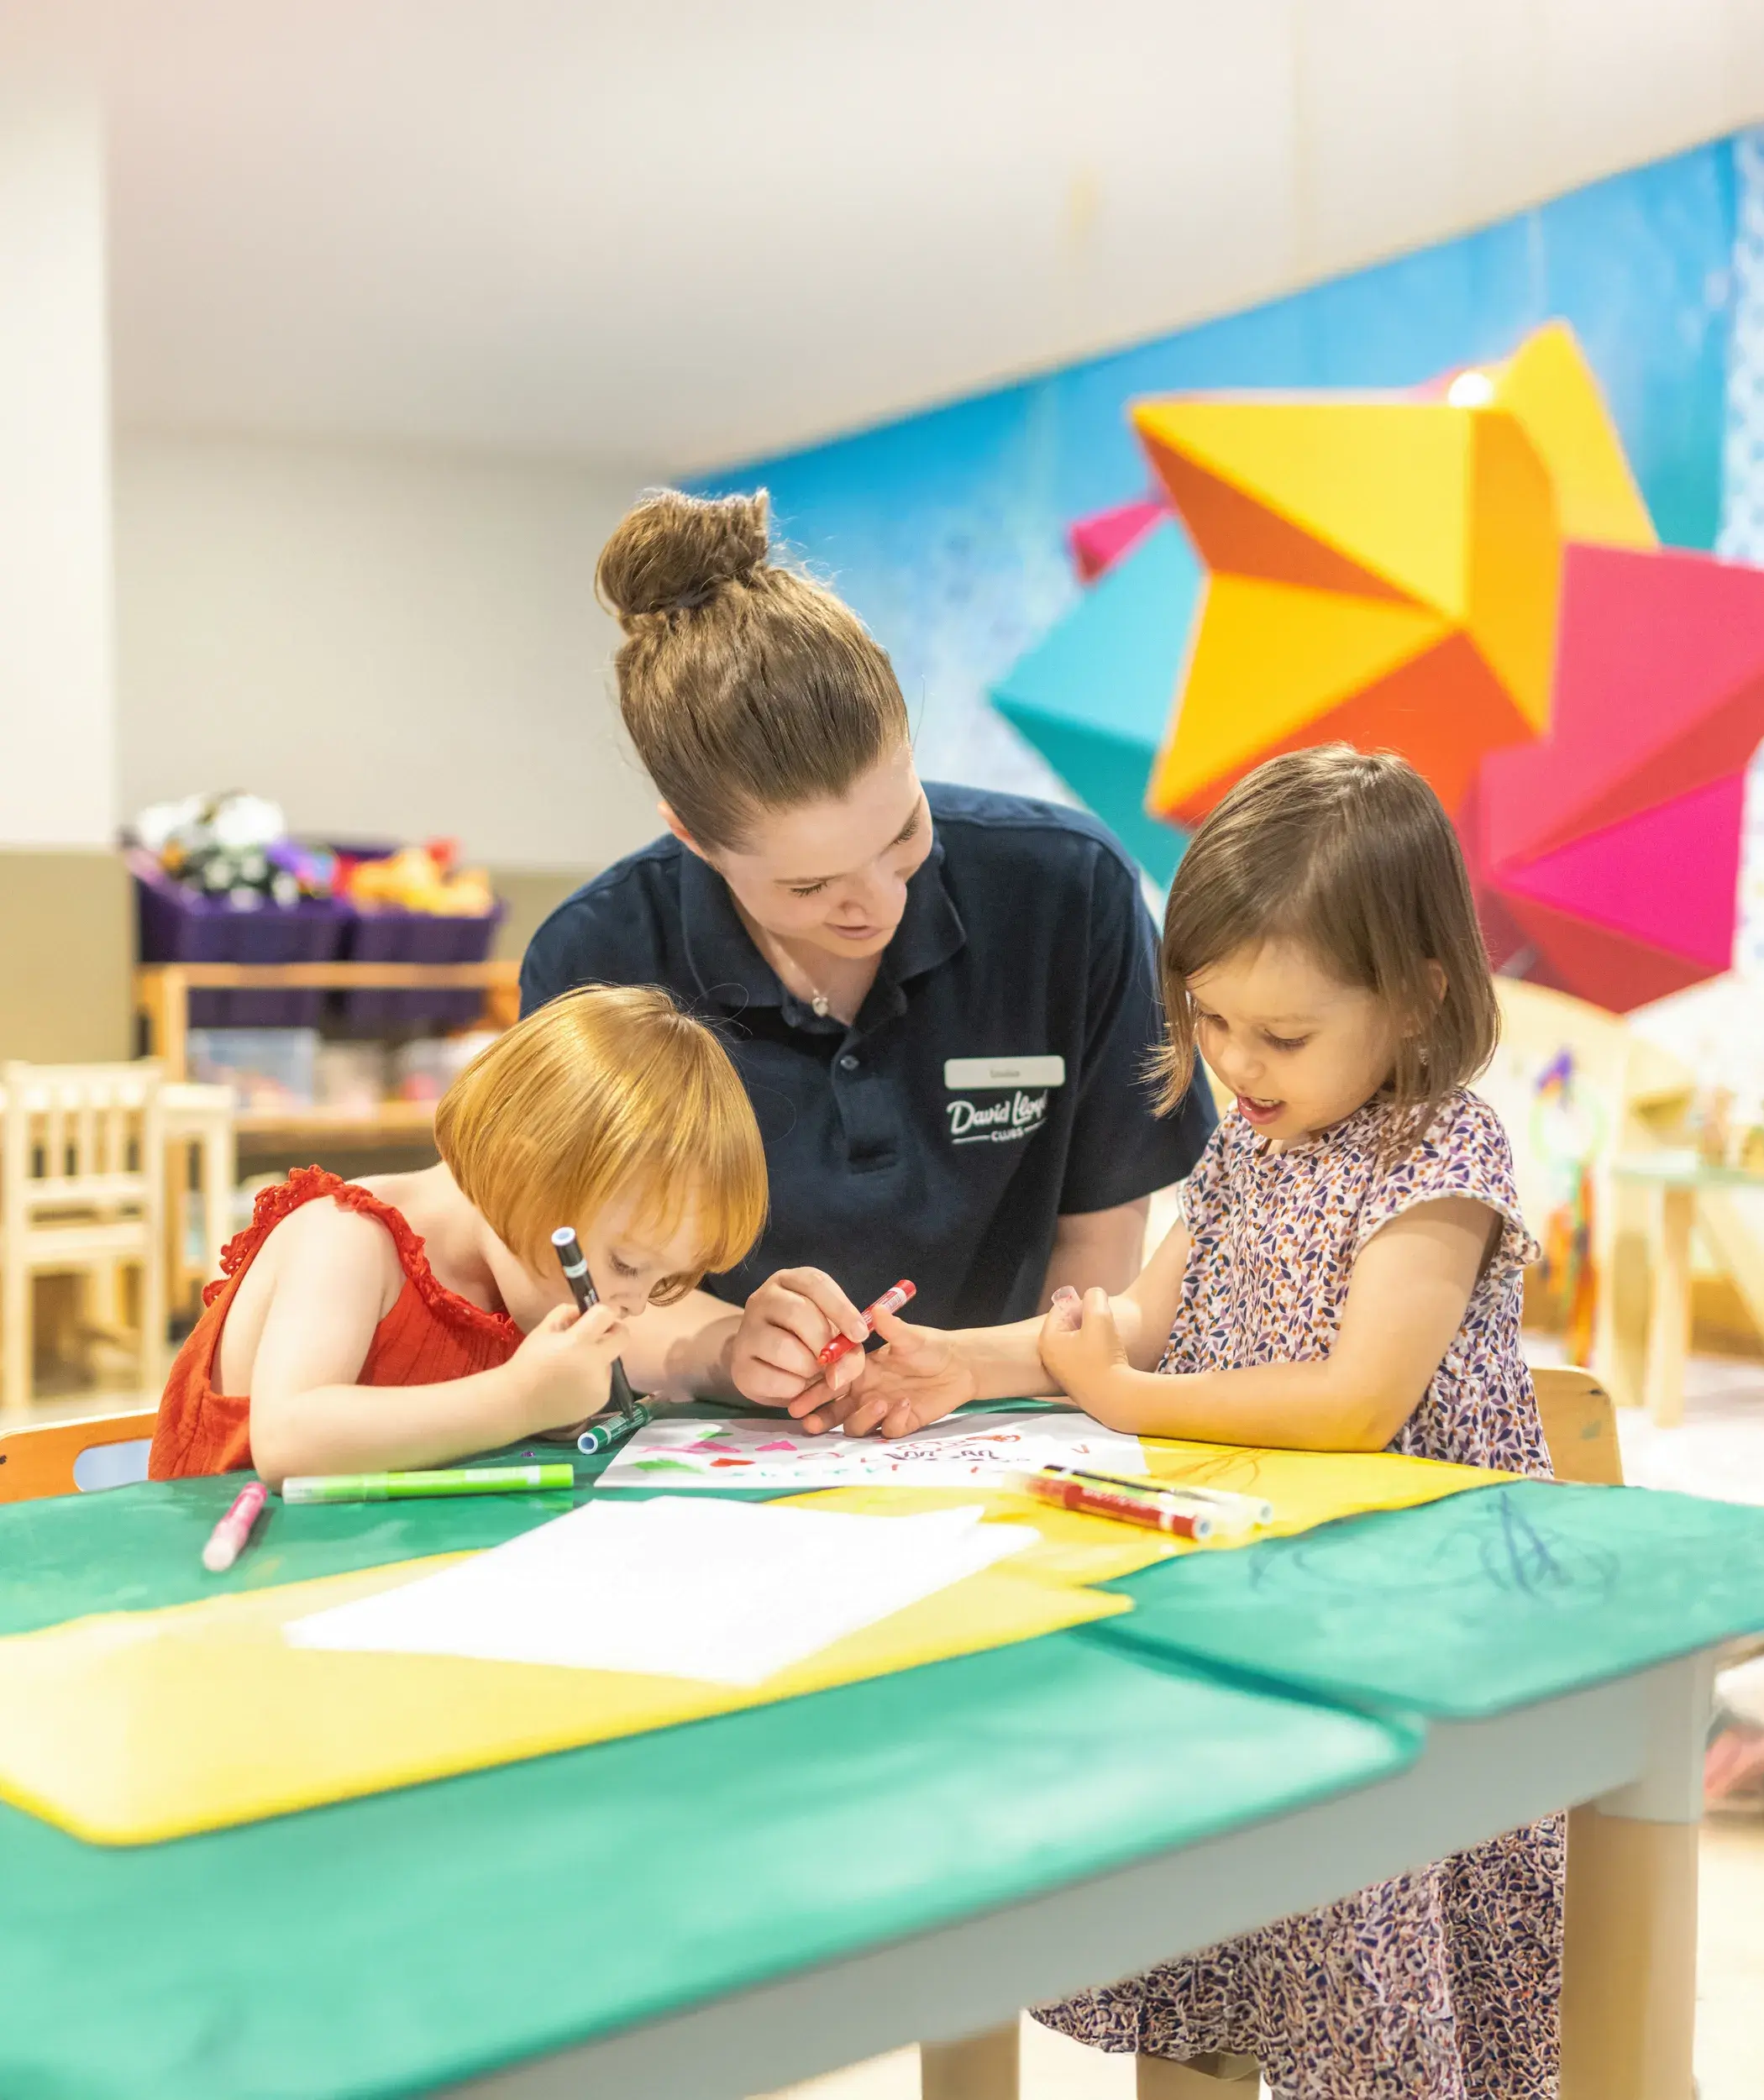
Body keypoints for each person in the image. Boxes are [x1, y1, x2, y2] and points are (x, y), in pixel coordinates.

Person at [805, 745, 1561, 2097]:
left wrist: (1134, 1404)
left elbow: (1354, 1400)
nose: (1238, 1064)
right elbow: (1136, 1322)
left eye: (1283, 1037)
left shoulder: (1444, 1156)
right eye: (1210, 1022)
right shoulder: (1245, 1143)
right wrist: (969, 1366)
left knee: (1364, 1955)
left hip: (1406, 1629)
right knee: (1211, 1920)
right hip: (1261, 1589)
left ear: (1418, 995)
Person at [521, 488, 1215, 1409]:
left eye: (902, 833)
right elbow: (559, 1284)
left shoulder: (1068, 891)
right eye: (809, 887)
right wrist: (719, 1349)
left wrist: (1014, 1387)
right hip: (714, 1453)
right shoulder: (594, 954)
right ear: (692, 836)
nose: (878, 902)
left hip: (1001, 1427)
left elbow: (1104, 1220)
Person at [149, 986, 767, 1488]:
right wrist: (518, 1400)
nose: (632, 1302)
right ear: (523, 1174)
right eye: (626, 1264)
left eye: (663, 1282)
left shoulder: (520, 1280)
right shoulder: (348, 1237)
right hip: (226, 1595)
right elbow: (288, 1438)